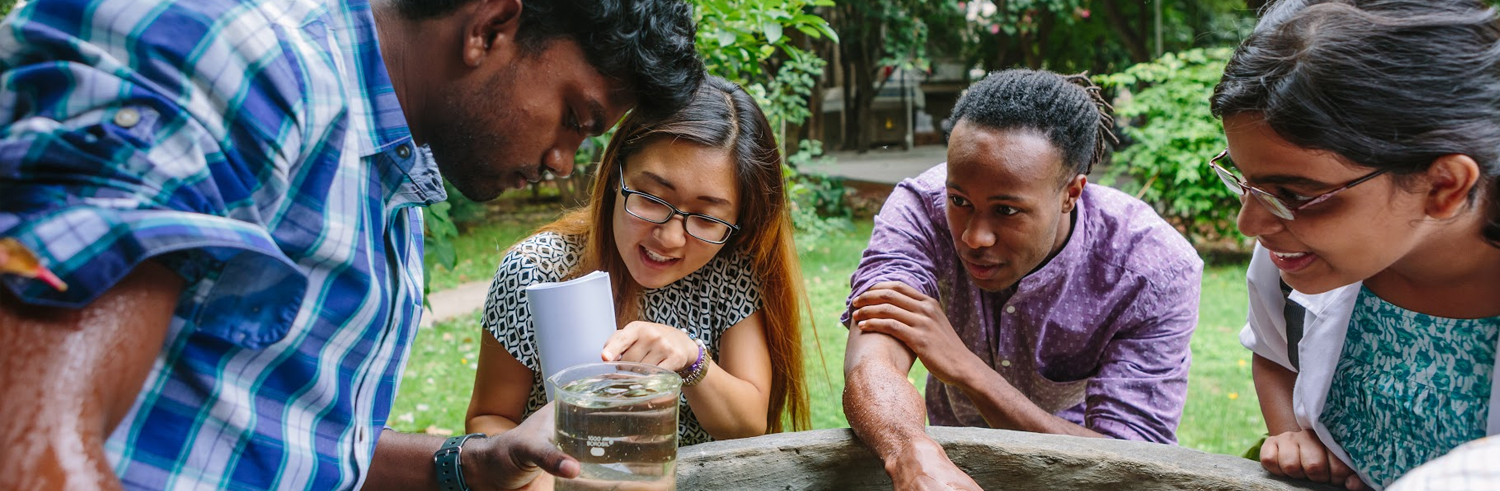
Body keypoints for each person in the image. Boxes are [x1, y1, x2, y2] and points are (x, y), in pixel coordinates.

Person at [0, 0, 703, 489]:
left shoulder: (393, 177)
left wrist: (475, 463)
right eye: (575, 118)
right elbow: (24, 448)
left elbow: (295, 448)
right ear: (492, 25)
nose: (562, 160)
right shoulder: (244, 57)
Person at [841, 68, 1204, 490]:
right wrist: (911, 453)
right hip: (942, 461)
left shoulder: (1150, 270)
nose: (974, 237)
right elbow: (873, 361)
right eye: (959, 201)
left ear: (1072, 193)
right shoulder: (921, 209)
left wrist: (969, 372)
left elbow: (1134, 462)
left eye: (1006, 210)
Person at [1213, 0, 1500, 489]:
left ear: (1444, 185)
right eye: (1245, 181)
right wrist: (1290, 432)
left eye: (1296, 194)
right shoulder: (1295, 252)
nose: (1251, 222)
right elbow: (1272, 352)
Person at [466, 76, 810, 453]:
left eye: (707, 219)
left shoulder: (730, 270)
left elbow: (749, 425)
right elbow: (488, 418)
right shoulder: (536, 272)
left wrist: (692, 360)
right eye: (651, 198)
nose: (670, 238)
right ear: (615, 174)